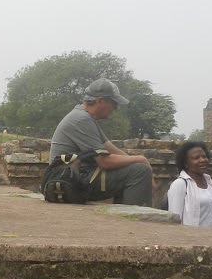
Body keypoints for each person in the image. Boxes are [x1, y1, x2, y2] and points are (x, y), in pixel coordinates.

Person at [48, 78, 154, 206]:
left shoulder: (86, 117)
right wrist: (142, 160)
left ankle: (125, 214)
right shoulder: (81, 119)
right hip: (68, 181)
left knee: (136, 167)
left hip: (72, 178)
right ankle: (135, 220)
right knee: (139, 171)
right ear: (100, 101)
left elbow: (109, 148)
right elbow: (105, 162)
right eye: (114, 104)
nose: (115, 109)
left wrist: (140, 161)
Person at [166, 141, 212, 227]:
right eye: (196, 158)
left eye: (204, 156)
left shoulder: (208, 181)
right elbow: (174, 220)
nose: (202, 160)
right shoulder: (180, 184)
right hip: (194, 238)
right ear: (186, 164)